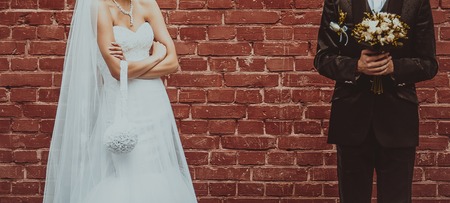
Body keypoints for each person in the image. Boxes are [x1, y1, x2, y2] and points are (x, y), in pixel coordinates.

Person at [43, 0, 198, 202]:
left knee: (158, 171)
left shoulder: (148, 4)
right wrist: (156, 57)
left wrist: (130, 66)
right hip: (123, 104)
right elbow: (116, 71)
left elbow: (172, 64)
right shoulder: (99, 7)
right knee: (129, 172)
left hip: (155, 103)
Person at [314, 0, 438, 202]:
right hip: (351, 118)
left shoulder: (415, 2)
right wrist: (356, 66)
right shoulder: (338, 1)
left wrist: (395, 68)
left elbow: (429, 64)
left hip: (398, 119)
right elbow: (322, 58)